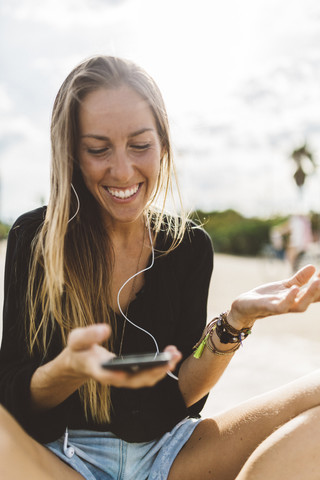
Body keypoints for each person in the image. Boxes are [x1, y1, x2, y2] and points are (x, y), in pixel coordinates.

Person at [0, 55, 319, 480]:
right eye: (98, 149)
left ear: (163, 143)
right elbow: (13, 401)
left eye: (140, 145)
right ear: (72, 154)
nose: (122, 169)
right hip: (62, 461)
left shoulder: (189, 247)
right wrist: (68, 370)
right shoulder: (36, 237)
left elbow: (182, 395)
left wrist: (235, 322)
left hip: (170, 457)